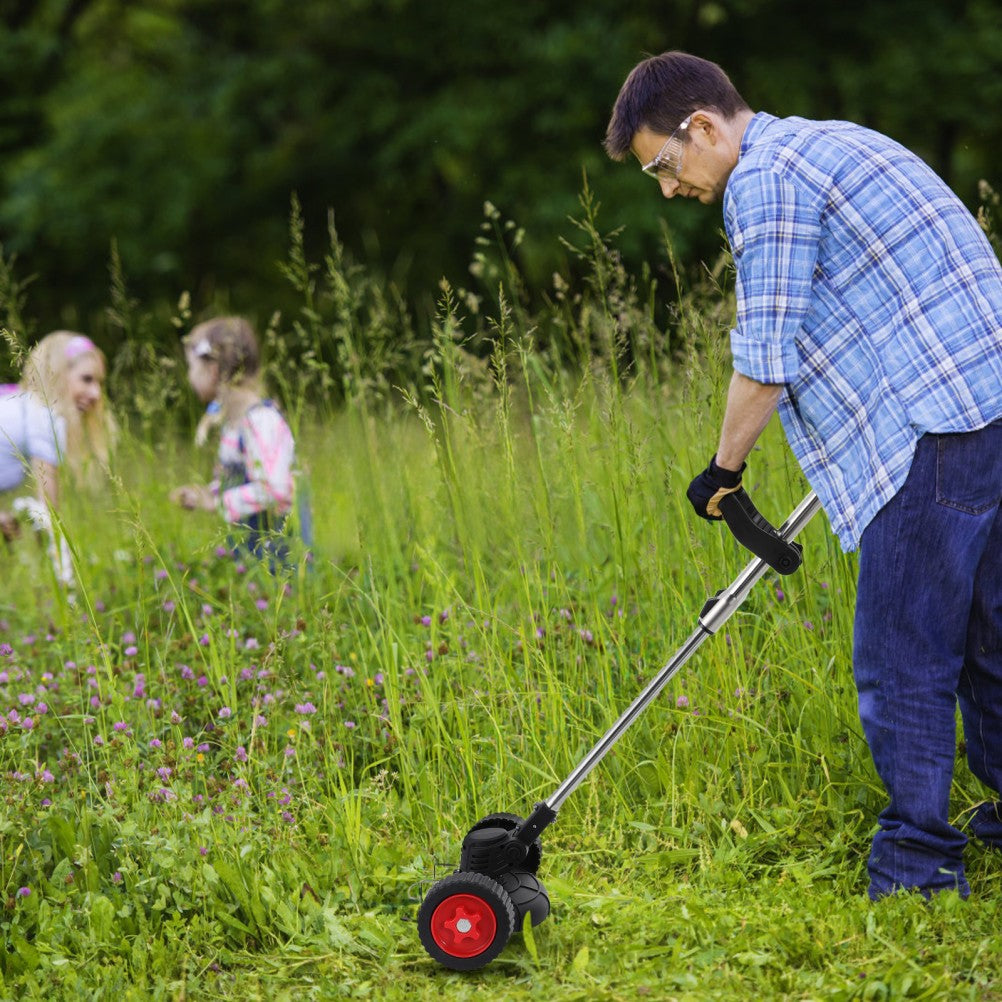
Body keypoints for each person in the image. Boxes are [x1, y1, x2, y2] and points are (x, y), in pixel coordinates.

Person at [605, 51, 1002, 901]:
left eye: (663, 168)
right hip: (985, 407)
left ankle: (919, 869)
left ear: (701, 128)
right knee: (986, 634)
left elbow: (766, 356)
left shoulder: (765, 182)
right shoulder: (832, 142)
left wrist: (722, 468)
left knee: (903, 658)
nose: (669, 191)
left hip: (931, 424)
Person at [170, 316, 300, 568]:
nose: (188, 377)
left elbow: (276, 488)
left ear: (213, 369)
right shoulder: (234, 424)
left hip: (277, 553)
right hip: (249, 551)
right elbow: (240, 480)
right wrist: (207, 494)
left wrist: (217, 503)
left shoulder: (261, 422)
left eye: (191, 367)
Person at [0, 331, 112, 582]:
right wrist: (61, 582)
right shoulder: (45, 417)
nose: (95, 393)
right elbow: (48, 516)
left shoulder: (21, 406)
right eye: (86, 379)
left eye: (99, 383)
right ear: (59, 374)